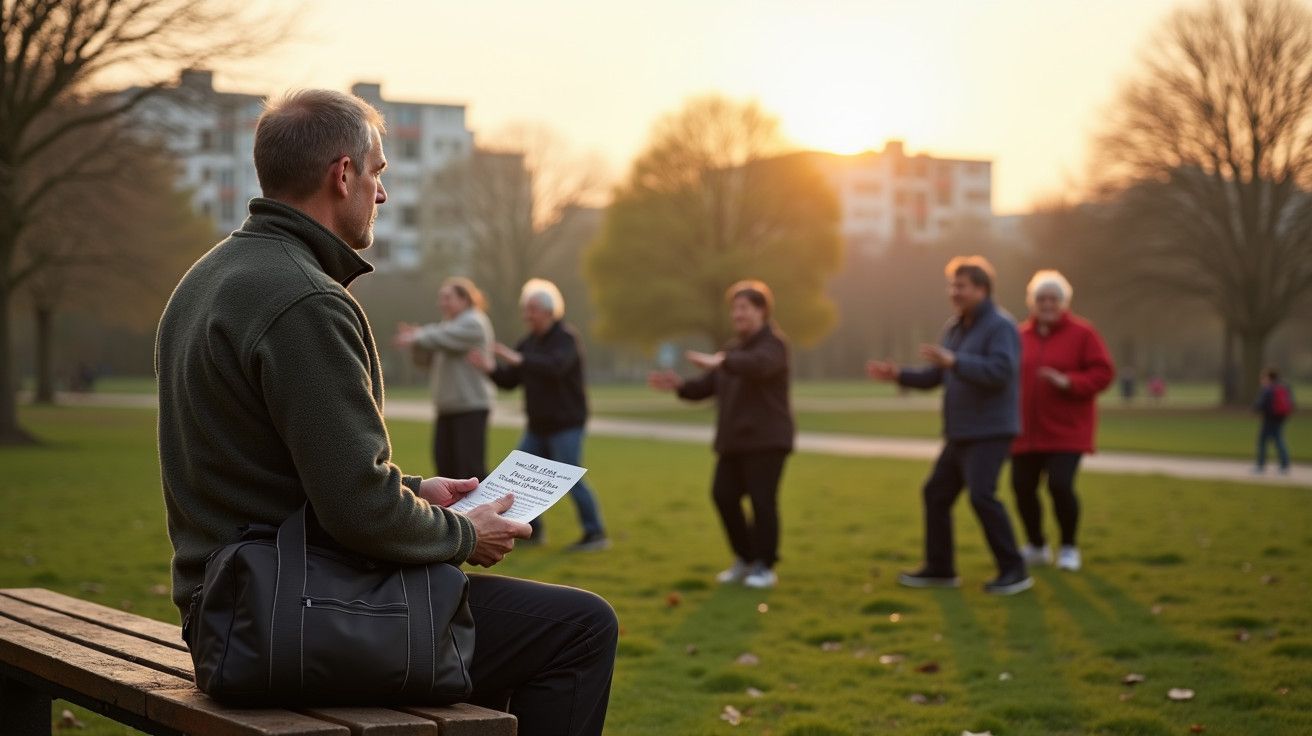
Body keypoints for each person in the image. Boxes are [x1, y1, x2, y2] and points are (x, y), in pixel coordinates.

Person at [155, 90, 616, 735]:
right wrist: (463, 533)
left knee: (517, 635)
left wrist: (417, 490)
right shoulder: (303, 300)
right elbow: (359, 511)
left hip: (231, 603)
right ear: (341, 174)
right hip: (276, 614)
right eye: (377, 173)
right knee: (581, 628)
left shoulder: (208, 277)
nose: (382, 192)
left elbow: (287, 471)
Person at [867, 256, 1032, 595]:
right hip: (961, 432)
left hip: (991, 430)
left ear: (982, 289)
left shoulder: (1000, 327)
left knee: (983, 496)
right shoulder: (955, 328)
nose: (953, 292)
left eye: (961, 286)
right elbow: (935, 376)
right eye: (951, 285)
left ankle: (1014, 570)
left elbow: (1001, 372)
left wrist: (956, 361)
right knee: (936, 494)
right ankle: (941, 569)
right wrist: (899, 375)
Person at [648, 280, 794, 589]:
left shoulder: (774, 345)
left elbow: (759, 366)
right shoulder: (731, 349)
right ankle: (745, 558)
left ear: (762, 311)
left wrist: (724, 361)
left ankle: (765, 566)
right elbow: (707, 386)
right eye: (734, 309)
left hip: (767, 441)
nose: (737, 315)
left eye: (744, 308)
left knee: (762, 502)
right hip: (734, 442)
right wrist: (679, 385)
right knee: (723, 495)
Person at [470, 279, 609, 552]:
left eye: (531, 309)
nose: (526, 315)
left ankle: (596, 534)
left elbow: (555, 367)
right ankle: (533, 531)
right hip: (538, 426)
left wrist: (520, 360)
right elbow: (510, 381)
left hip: (566, 424)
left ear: (549, 311)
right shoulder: (529, 342)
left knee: (570, 480)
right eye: (525, 309)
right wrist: (490, 368)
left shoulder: (566, 339)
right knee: (520, 478)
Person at [1010, 270, 1114, 573]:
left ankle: (1068, 546)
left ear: (1064, 302)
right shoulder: (1018, 336)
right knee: (1021, 487)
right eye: (1041, 299)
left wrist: (1069, 382)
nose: (1047, 304)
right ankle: (1036, 545)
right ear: (1031, 302)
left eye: (1053, 299)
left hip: (1067, 430)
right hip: (1025, 431)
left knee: (1059, 485)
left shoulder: (1083, 334)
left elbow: (1103, 373)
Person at [394, 277, 495, 480]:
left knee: (470, 472)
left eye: (447, 298)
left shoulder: (474, 322)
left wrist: (418, 336)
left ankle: (493, 510)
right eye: (441, 298)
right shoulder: (446, 327)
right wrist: (417, 343)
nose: (442, 303)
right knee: (446, 470)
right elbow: (426, 361)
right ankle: (453, 513)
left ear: (464, 299)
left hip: (470, 407)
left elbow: (442, 337)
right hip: (448, 408)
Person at [1254, 367, 1295, 475]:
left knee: (1262, 441)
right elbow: (1290, 402)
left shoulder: (1268, 389)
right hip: (1281, 417)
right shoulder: (1284, 386)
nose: (1262, 380)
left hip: (1269, 418)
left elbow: (1260, 404)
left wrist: (1255, 409)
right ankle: (1284, 465)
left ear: (1268, 377)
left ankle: (1260, 466)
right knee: (1279, 439)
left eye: (1264, 377)